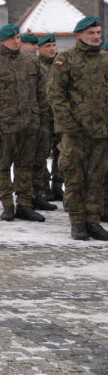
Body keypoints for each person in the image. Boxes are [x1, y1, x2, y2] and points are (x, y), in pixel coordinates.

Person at [0, 23, 48, 223]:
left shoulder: (31, 62)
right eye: (12, 39)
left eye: (18, 38)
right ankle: (7, 205)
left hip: (29, 124)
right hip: (4, 126)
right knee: (2, 166)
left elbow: (42, 93)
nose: (16, 42)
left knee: (26, 165)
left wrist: (43, 121)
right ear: (2, 41)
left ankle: (24, 204)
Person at [47, 16, 108, 241]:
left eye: (98, 33)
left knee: (97, 177)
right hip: (75, 132)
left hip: (101, 131)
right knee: (74, 176)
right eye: (91, 33)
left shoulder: (104, 60)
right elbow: (55, 93)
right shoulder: (66, 59)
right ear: (79, 35)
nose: (95, 37)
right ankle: (77, 221)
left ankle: (93, 220)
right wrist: (69, 123)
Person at [32, 34, 59, 211]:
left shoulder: (61, 65)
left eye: (54, 46)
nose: (52, 49)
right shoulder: (35, 66)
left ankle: (57, 188)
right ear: (39, 49)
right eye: (48, 46)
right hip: (42, 118)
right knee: (40, 156)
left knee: (61, 155)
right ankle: (42, 189)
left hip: (59, 118)